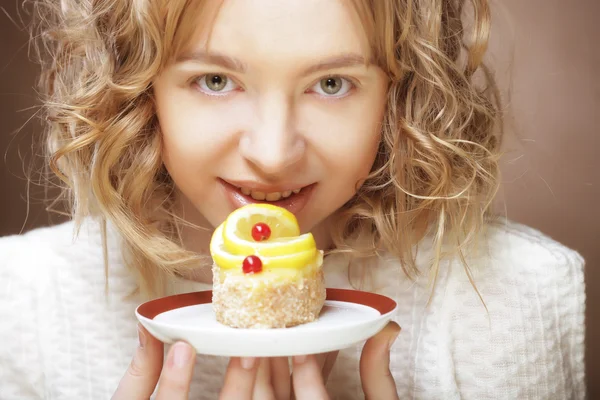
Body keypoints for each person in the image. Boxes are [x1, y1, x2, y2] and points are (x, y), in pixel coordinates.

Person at [0, 0, 586, 399]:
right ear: (138, 85)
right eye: (215, 80)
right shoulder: (23, 306)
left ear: (402, 94)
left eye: (331, 85)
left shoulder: (510, 295)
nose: (274, 154)